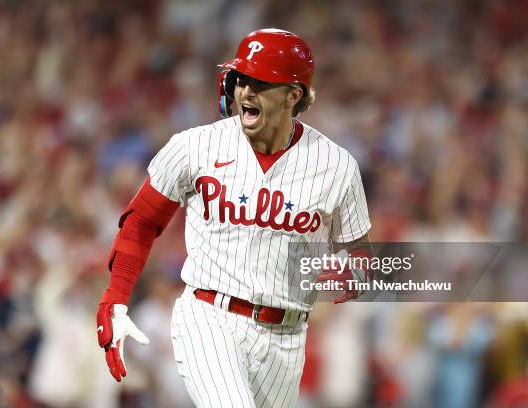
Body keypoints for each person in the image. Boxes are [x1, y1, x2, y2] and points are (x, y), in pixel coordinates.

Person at [96, 28, 372, 407]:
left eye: (261, 82)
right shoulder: (196, 146)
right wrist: (115, 295)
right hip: (210, 317)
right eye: (242, 78)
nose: (246, 91)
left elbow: (359, 254)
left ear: (294, 95)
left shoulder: (336, 166)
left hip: (287, 338)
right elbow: (141, 220)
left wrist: (351, 272)